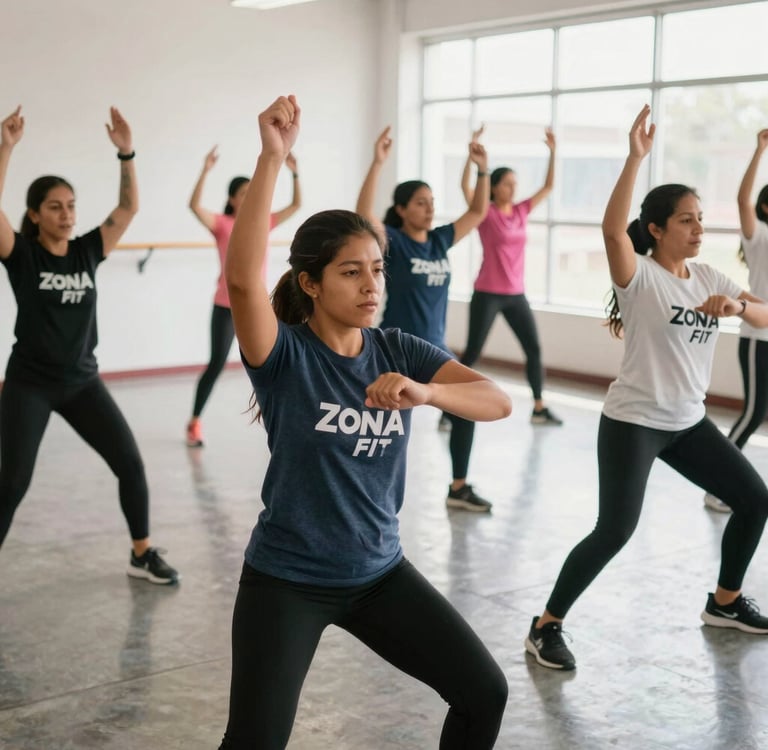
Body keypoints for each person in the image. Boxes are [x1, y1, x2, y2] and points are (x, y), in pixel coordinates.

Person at [218, 95, 510, 749]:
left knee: (484, 693)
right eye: (351, 273)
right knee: (254, 741)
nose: (371, 284)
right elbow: (242, 282)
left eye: (376, 270)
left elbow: (497, 400)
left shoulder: (400, 351)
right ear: (312, 283)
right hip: (288, 582)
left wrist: (427, 394)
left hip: (380, 574)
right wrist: (273, 158)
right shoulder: (285, 355)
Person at [525, 105, 768, 671]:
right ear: (657, 229)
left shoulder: (709, 277)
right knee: (614, 530)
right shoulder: (640, 278)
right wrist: (634, 157)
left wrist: (737, 306)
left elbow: (765, 315)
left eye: (701, 218)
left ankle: (725, 602)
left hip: (687, 423)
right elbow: (612, 230)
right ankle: (546, 625)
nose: (699, 228)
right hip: (634, 422)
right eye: (686, 219)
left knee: (756, 500)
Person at [0, 106, 178, 584]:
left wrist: (126, 153)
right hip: (29, 385)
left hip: (81, 382)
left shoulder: (87, 249)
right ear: (35, 214)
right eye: (55, 206)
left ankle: (141, 554)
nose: (67, 214)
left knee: (130, 464)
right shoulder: (22, 254)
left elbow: (127, 210)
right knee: (12, 483)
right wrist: (6, 149)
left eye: (72, 205)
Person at [356, 125, 494, 512]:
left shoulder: (439, 240)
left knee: (467, 407)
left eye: (431, 201)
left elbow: (479, 211)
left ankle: (459, 487)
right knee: (379, 422)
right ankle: (363, 491)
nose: (429, 207)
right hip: (396, 348)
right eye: (420, 202)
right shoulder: (394, 243)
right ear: (401, 210)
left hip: (434, 348)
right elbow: (363, 215)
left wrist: (482, 169)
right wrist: (377, 163)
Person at [185, 145, 301, 447]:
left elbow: (296, 205)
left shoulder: (264, 221)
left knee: (274, 362)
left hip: (257, 306)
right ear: (232, 199)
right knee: (217, 364)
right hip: (225, 306)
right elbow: (194, 205)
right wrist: (205, 169)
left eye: (253, 192)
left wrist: (295, 172)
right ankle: (194, 421)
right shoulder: (223, 225)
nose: (249, 197)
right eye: (243, 193)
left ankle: (280, 422)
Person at [459, 124, 562, 426]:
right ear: (493, 187)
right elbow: (465, 189)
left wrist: (553, 152)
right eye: (507, 184)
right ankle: (449, 409)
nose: (513, 189)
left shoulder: (520, 211)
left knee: (533, 349)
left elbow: (548, 186)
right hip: (488, 293)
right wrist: (472, 158)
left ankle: (539, 407)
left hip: (516, 294)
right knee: (473, 352)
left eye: (515, 184)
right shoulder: (484, 212)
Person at [704, 128, 768, 513]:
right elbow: (742, 198)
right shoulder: (759, 236)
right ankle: (717, 487)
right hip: (758, 337)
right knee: (754, 413)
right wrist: (759, 151)